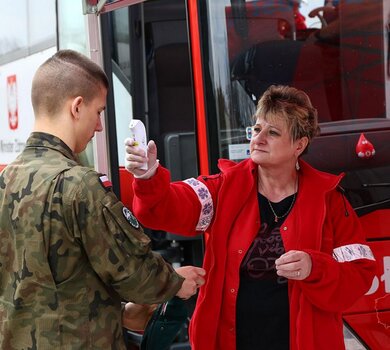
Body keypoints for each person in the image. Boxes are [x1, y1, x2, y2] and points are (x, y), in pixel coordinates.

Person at [124, 85, 377, 350]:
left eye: (273, 132)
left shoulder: (330, 200)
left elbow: (359, 275)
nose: (258, 138)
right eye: (257, 129)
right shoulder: (223, 188)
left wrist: (315, 267)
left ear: (299, 145)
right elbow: (163, 208)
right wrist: (148, 176)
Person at [0, 49, 205, 349]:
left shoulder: (6, 179)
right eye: (99, 112)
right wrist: (175, 281)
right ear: (77, 107)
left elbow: (46, 285)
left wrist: (119, 313)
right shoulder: (78, 184)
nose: (98, 126)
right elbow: (133, 272)